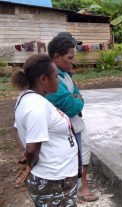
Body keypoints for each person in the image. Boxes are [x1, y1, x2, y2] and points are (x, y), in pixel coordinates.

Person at [12, 54, 79, 206]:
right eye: (56, 77)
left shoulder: (27, 98)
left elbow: (15, 129)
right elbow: (31, 149)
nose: (58, 81)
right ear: (43, 79)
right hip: (53, 180)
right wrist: (29, 162)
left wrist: (27, 156)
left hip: (58, 176)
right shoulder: (37, 107)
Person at [46, 34, 98, 202]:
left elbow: (77, 94)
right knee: (75, 157)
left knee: (83, 152)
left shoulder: (64, 74)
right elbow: (71, 105)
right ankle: (76, 189)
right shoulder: (53, 78)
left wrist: (76, 98)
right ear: (56, 57)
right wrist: (77, 100)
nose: (72, 61)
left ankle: (78, 186)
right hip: (67, 127)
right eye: (69, 58)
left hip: (75, 123)